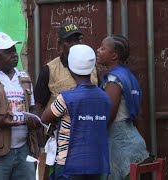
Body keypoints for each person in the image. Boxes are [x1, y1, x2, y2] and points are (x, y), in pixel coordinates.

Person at [34, 22, 98, 179]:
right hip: (60, 143)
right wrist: (44, 139)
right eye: (69, 41)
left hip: (89, 140)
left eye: (78, 39)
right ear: (60, 45)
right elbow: (39, 105)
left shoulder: (91, 67)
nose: (75, 44)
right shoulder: (49, 70)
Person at [0, 32, 41, 180]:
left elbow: (33, 107)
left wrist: (35, 120)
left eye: (14, 49)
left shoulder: (23, 77)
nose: (14, 54)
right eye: (8, 51)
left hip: (24, 148)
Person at [41, 44, 111, 180]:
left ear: (71, 69)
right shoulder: (104, 98)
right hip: (97, 162)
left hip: (69, 163)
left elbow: (44, 117)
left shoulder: (66, 98)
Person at [96, 35, 152, 180]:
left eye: (102, 48)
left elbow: (107, 116)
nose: (98, 50)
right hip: (132, 142)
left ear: (114, 56)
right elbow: (139, 115)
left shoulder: (114, 80)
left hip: (121, 146)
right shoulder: (128, 76)